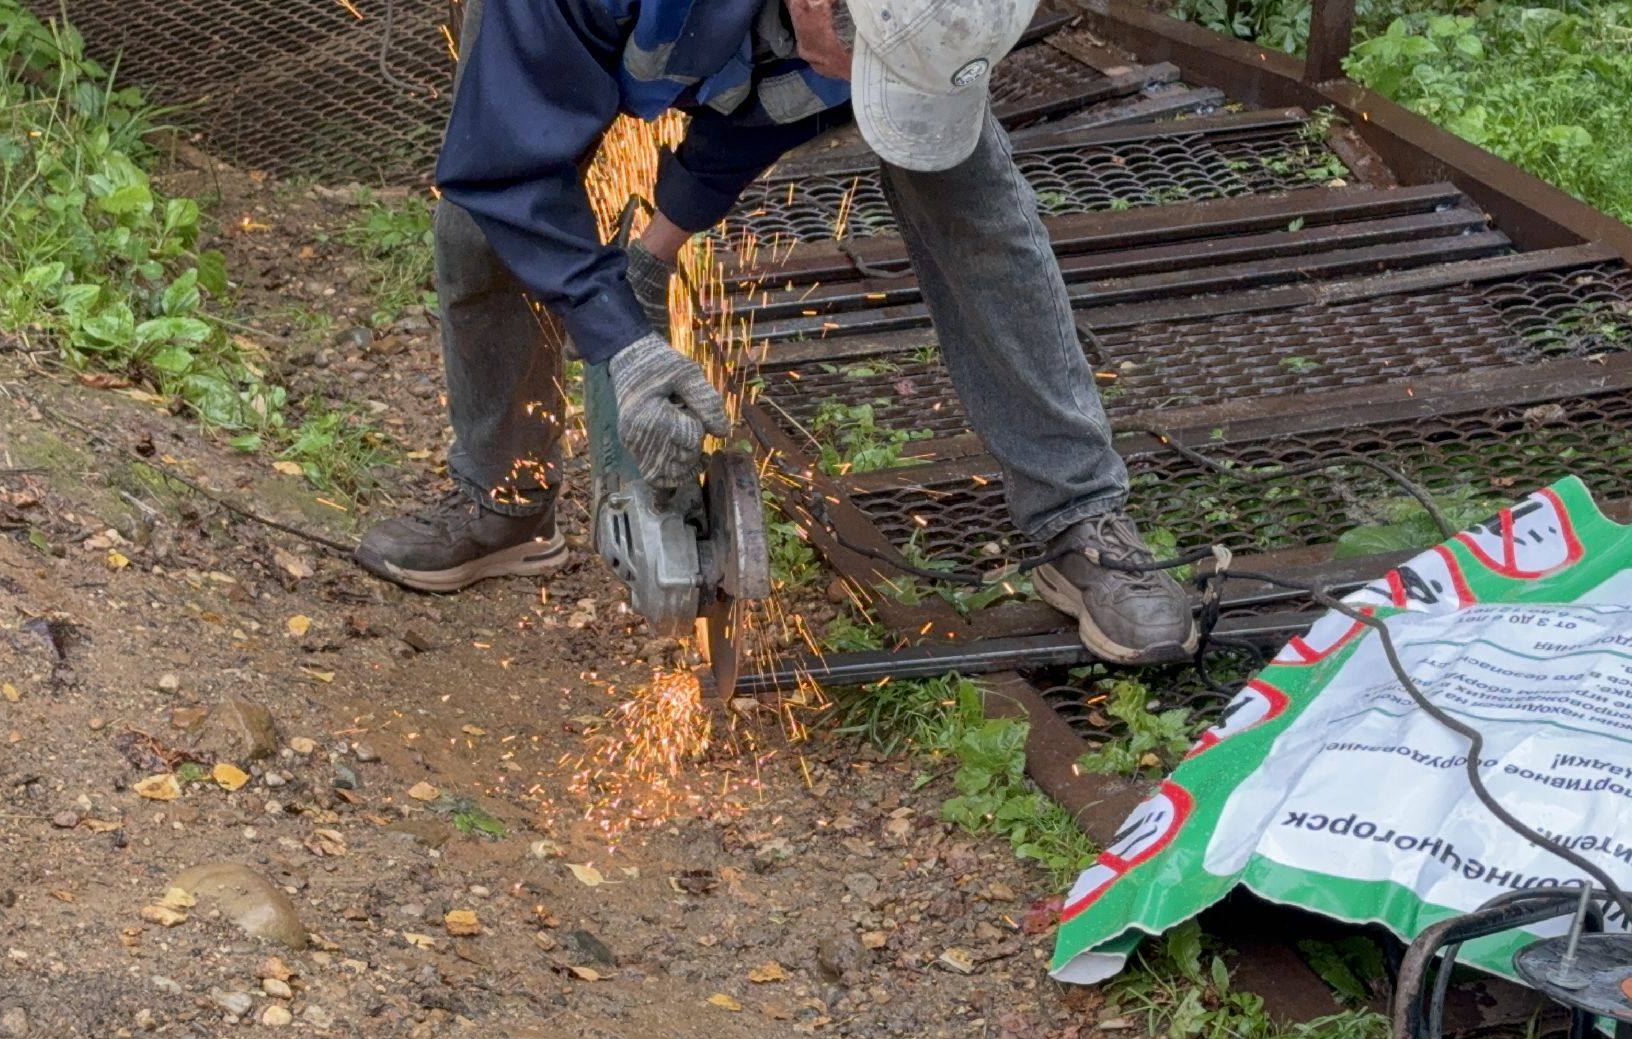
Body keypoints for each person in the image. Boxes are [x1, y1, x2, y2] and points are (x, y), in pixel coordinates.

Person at [354, 0, 1198, 664]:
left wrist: (658, 244)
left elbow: (784, 93)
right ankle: (502, 502)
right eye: (870, 68)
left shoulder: (863, 24)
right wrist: (621, 340)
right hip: (583, 28)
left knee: (973, 195)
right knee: (478, 225)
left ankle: (1080, 519)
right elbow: (507, 165)